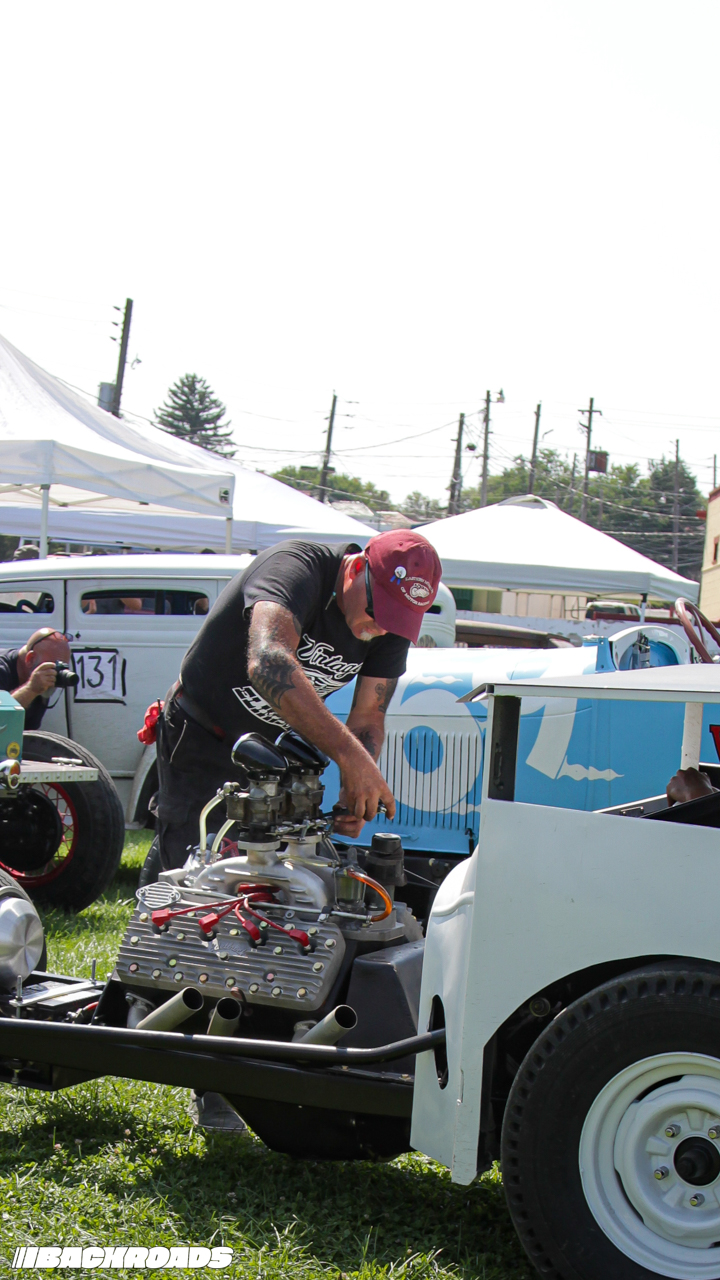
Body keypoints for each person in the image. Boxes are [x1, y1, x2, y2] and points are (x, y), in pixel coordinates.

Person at [154, 530, 442, 871]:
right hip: (206, 734)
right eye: (376, 611)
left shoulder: (388, 625)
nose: (380, 628)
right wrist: (351, 758)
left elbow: (368, 715)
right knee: (202, 872)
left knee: (289, 875)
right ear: (355, 569)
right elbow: (268, 662)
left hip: (278, 752)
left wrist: (355, 784)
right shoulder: (294, 567)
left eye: (396, 620)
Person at [0, 628, 71, 729]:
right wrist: (30, 689)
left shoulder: (40, 676)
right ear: (30, 659)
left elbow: (28, 732)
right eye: (53, 666)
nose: (55, 673)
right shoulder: (3, 668)